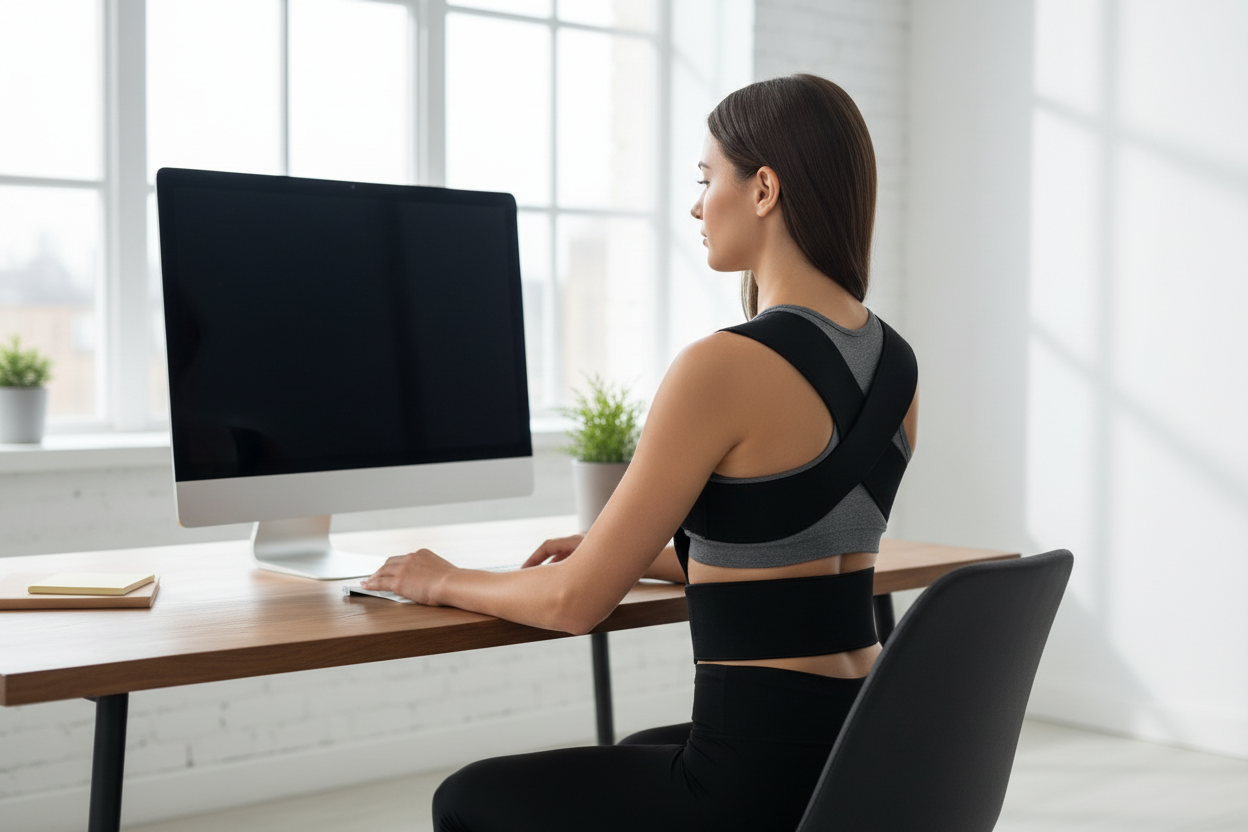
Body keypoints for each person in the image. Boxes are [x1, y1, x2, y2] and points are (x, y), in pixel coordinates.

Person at [361, 73, 920, 832]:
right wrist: (632, 554)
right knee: (634, 751)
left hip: (750, 783)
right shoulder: (897, 365)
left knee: (464, 799)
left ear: (764, 189)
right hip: (860, 750)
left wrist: (440, 578)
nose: (696, 205)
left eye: (706, 179)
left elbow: (573, 603)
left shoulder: (722, 365)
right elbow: (802, 559)